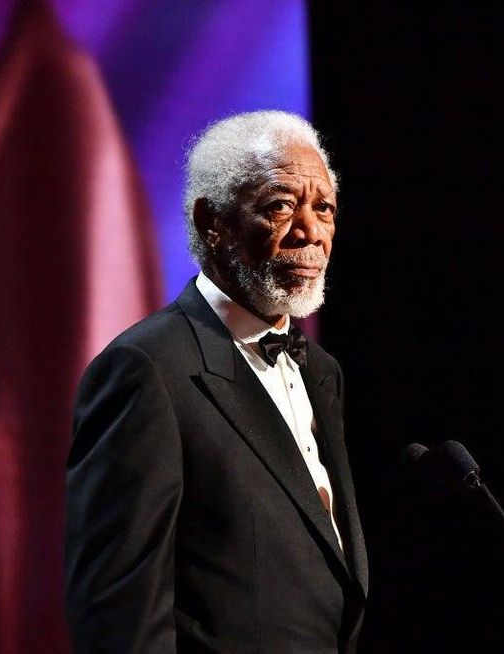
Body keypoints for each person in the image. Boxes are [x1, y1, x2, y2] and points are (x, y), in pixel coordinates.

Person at [65, 110, 368, 653]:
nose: (311, 232)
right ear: (213, 222)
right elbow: (118, 611)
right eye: (281, 206)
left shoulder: (322, 373)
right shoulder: (147, 369)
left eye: (324, 208)